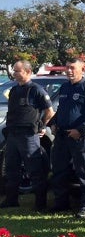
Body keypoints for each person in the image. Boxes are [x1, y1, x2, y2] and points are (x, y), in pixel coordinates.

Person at [48, 58, 85, 218]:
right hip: (62, 136)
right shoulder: (65, 87)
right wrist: (54, 123)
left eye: (72, 68)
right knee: (59, 170)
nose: (69, 71)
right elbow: (62, 109)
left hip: (79, 137)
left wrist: (81, 130)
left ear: (83, 70)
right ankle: (61, 203)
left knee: (84, 172)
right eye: (67, 68)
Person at [1, 60, 55, 211]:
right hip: (12, 135)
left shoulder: (36, 90)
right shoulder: (14, 90)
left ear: (28, 72)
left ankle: (40, 203)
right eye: (14, 71)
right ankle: (11, 199)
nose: (14, 74)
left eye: (18, 71)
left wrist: (42, 126)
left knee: (35, 170)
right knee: (11, 169)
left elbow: (50, 112)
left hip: (29, 136)